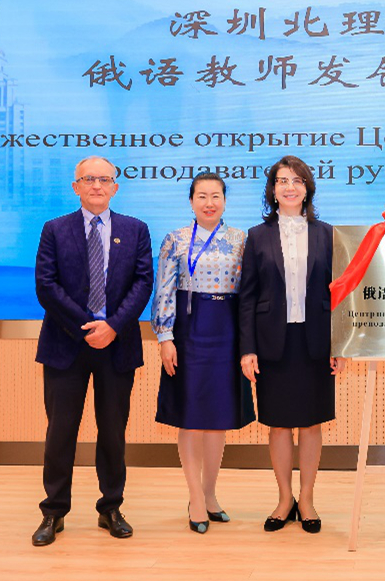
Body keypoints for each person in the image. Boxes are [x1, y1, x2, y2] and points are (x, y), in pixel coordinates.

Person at [31, 156, 154, 546]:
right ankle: (53, 512)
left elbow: (143, 283)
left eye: (104, 179)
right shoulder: (55, 229)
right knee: (61, 431)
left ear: (115, 187)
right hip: (66, 343)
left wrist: (112, 326)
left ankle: (111, 508)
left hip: (117, 344)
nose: (97, 186)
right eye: (88, 179)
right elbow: (46, 285)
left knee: (113, 431)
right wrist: (87, 326)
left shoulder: (136, 229)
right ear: (76, 187)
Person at [238, 155, 344, 534]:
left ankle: (308, 499)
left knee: (312, 424)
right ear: (272, 190)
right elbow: (247, 297)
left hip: (315, 341)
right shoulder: (257, 235)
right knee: (279, 425)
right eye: (282, 180)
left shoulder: (327, 234)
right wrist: (247, 349)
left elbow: (339, 293)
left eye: (297, 180)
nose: (290, 187)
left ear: (307, 189)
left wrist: (339, 344)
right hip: (272, 343)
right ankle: (285, 499)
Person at [152, 172, 255, 534]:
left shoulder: (242, 239)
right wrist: (165, 337)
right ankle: (194, 496)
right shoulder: (175, 239)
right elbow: (163, 290)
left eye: (216, 196)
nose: (209, 203)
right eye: (201, 196)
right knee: (191, 416)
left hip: (227, 331)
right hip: (188, 331)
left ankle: (210, 494)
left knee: (218, 417)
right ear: (191, 201)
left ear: (225, 200)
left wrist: (250, 342)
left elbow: (250, 293)